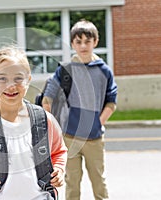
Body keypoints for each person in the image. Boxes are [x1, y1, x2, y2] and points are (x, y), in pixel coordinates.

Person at [0, 46, 67, 200]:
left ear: (28, 79)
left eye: (18, 78)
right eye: (2, 78)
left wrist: (59, 170)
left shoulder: (45, 120)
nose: (11, 86)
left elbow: (59, 152)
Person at [42, 19, 118, 200]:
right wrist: (57, 126)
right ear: (72, 44)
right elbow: (47, 98)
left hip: (95, 138)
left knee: (99, 181)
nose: (83, 45)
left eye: (87, 41)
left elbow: (111, 102)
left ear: (96, 42)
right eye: (78, 41)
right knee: (72, 182)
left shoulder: (104, 70)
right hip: (69, 137)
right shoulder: (65, 70)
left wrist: (97, 123)